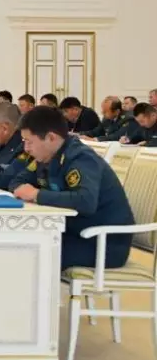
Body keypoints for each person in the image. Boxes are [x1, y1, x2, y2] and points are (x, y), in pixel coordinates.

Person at [9, 106, 134, 271]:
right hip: (72, 233)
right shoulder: (46, 157)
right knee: (15, 242)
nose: (26, 148)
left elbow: (86, 201)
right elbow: (17, 181)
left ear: (51, 138)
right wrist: (23, 189)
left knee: (27, 253)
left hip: (103, 243)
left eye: (29, 141)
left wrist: (37, 194)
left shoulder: (81, 158)